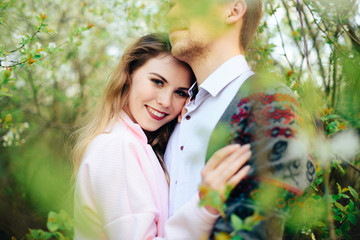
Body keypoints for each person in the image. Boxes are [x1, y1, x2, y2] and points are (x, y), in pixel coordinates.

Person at [72, 33, 252, 239]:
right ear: (129, 74)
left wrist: (188, 123)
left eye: (181, 93)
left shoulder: (138, 143)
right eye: (158, 82)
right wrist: (204, 206)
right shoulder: (117, 146)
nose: (166, 102)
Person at [165, 0, 316, 239]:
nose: (172, 14)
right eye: (171, 5)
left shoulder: (270, 103)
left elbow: (260, 228)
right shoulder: (171, 111)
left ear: (232, 10)